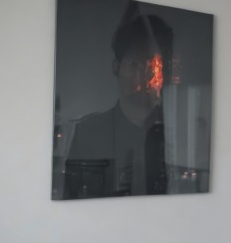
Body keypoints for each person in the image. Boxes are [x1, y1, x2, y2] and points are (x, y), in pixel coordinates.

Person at [63, 14, 174, 199]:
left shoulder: (181, 132)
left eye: (155, 65)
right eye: (136, 63)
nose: (146, 75)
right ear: (117, 67)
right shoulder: (89, 132)